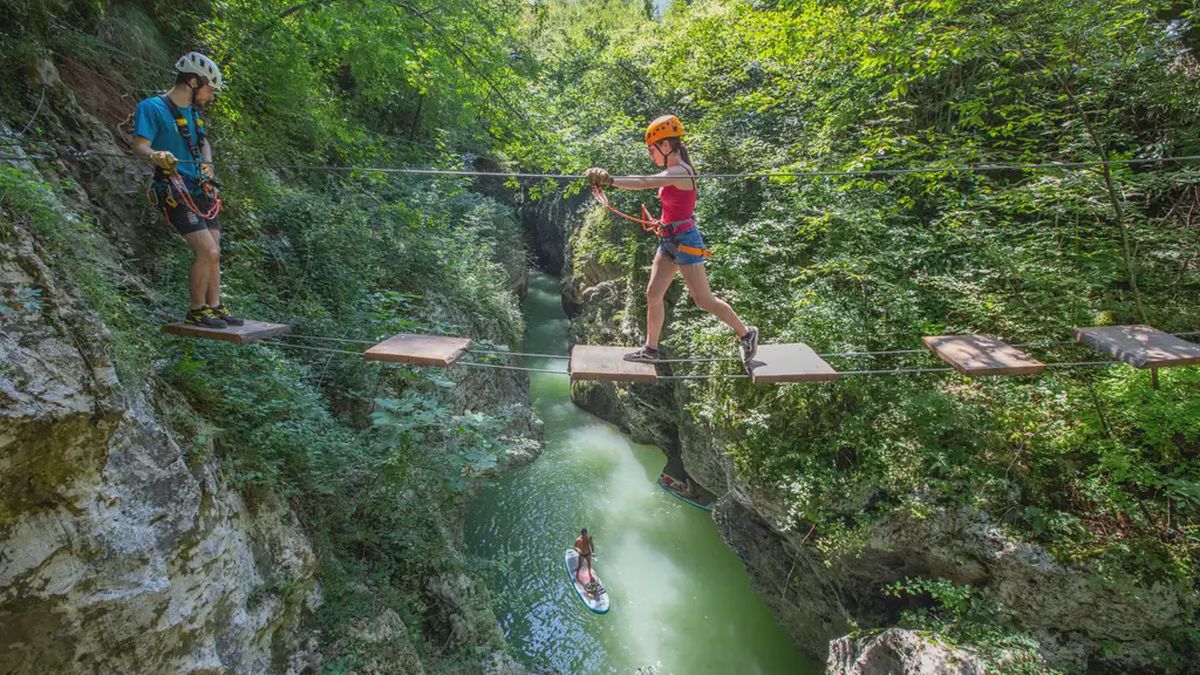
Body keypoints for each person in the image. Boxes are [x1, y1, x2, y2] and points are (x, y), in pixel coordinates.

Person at [585, 114, 757, 364]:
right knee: (653, 293)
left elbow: (644, 182)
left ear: (666, 146)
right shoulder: (673, 170)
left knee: (703, 300)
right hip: (670, 238)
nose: (650, 155)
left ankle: (746, 333)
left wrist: (610, 180)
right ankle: (650, 349)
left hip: (685, 240)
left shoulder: (679, 172)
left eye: (652, 149)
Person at [133, 52, 242, 329]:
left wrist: (207, 163)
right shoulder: (152, 107)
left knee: (215, 248)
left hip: (200, 188)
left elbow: (203, 143)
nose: (211, 97)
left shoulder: (194, 113)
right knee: (207, 250)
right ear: (193, 82)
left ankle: (214, 307)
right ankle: (196, 310)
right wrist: (157, 155)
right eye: (210, 89)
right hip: (173, 187)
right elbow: (140, 146)